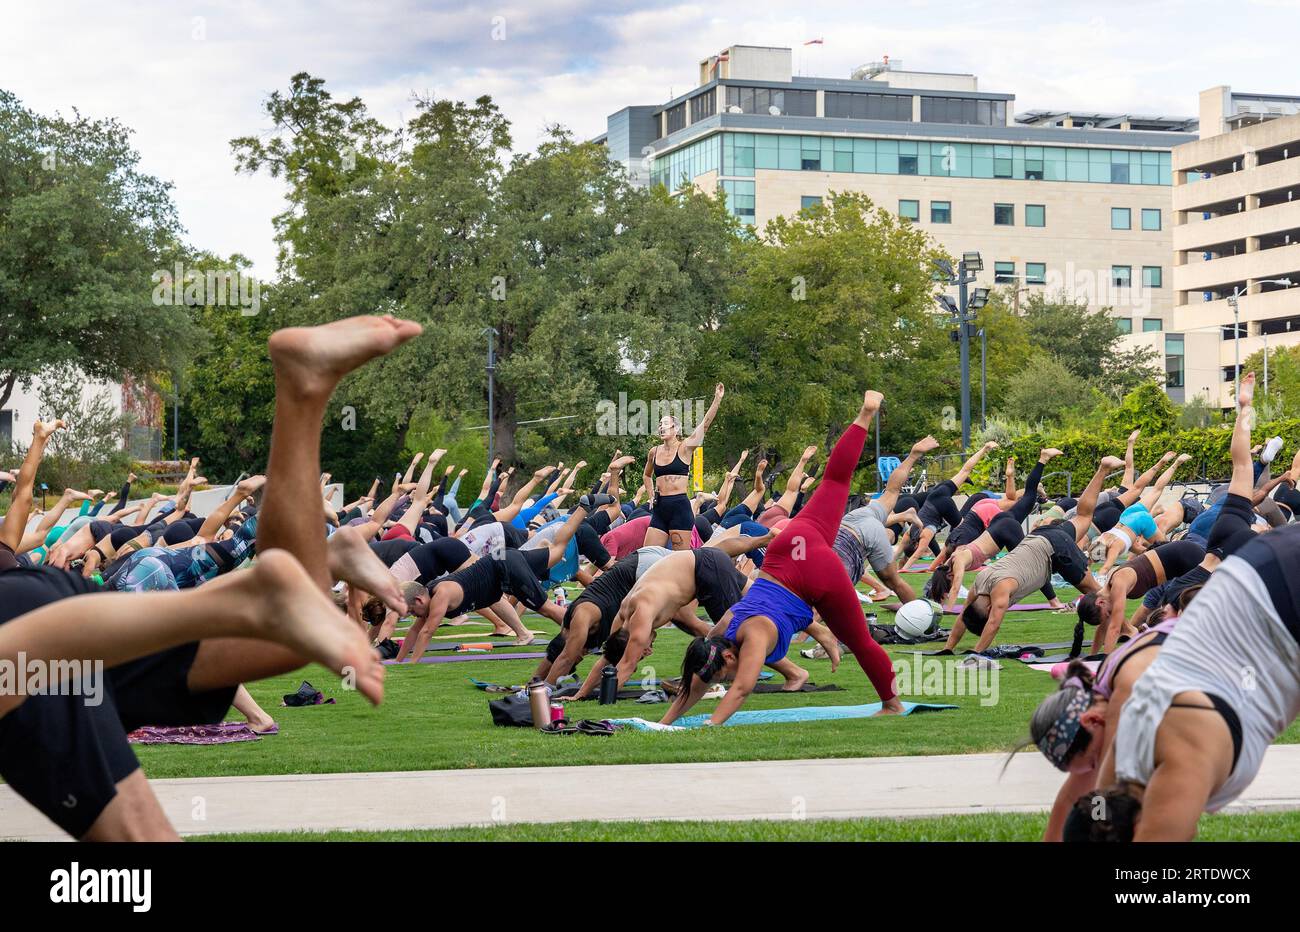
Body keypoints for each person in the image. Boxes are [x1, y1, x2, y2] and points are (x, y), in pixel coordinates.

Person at [662, 390, 905, 726]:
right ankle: (865, 414)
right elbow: (697, 683)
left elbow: (743, 688)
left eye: (725, 673)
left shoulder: (753, 635)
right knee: (835, 481)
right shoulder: (717, 638)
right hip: (790, 545)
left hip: (814, 573)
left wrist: (711, 724)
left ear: (729, 656)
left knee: (862, 641)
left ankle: (893, 704)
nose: (728, 678)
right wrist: (664, 723)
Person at [1071, 520, 1300, 841]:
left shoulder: (1178, 767)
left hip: (1278, 604)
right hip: (1254, 565)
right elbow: (1097, 809)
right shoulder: (1120, 765)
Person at [944, 455, 1119, 654]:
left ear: (990, 608)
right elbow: (963, 616)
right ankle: (1103, 468)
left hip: (1057, 551)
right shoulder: (979, 582)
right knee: (1084, 516)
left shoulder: (999, 594)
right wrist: (948, 648)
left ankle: (1128, 629)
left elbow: (993, 624)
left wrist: (976, 654)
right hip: (1040, 536)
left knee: (1098, 593)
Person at [641, 383, 724, 550]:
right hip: (660, 508)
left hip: (679, 507)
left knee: (679, 559)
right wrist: (651, 497)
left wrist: (717, 400)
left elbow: (705, 425)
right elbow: (647, 476)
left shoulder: (685, 448)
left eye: (665, 424)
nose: (661, 427)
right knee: (647, 554)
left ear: (676, 429)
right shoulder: (653, 452)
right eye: (660, 425)